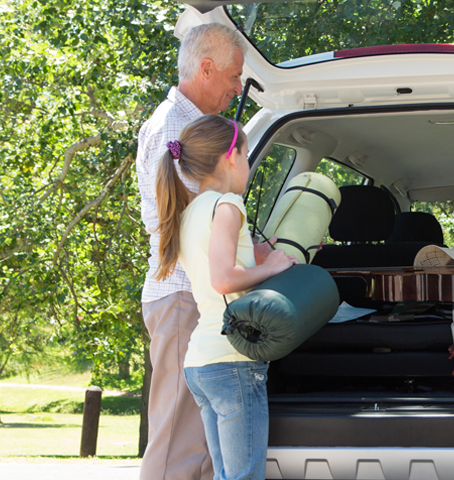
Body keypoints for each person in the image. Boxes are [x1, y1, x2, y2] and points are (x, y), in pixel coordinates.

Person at [136, 23, 261, 480]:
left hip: (192, 299)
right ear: (206, 68)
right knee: (175, 446)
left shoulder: (182, 126)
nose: (236, 89)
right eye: (233, 77)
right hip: (186, 296)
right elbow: (203, 230)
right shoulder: (177, 127)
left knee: (203, 452)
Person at [155, 114, 296, 480]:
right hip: (233, 359)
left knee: (226, 477)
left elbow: (216, 268)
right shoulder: (228, 204)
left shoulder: (188, 213)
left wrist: (256, 256)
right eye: (247, 156)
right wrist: (274, 266)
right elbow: (224, 279)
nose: (247, 166)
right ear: (231, 156)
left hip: (201, 362)